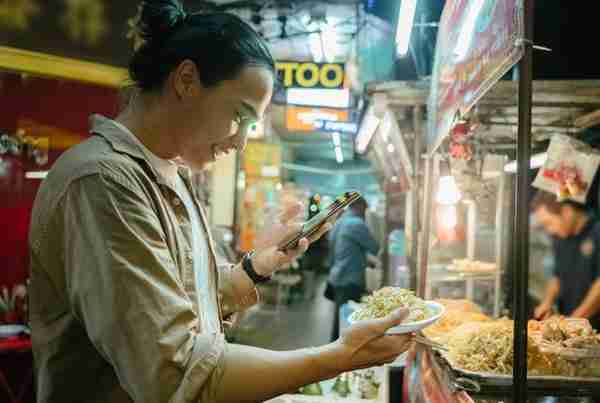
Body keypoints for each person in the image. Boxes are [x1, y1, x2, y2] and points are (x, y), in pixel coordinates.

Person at [28, 2, 411, 402]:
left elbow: (182, 298)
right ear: (187, 80)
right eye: (239, 115)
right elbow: (175, 374)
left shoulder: (173, 177)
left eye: (252, 125)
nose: (241, 141)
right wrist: (336, 356)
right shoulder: (104, 183)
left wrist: (258, 265)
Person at [532, 191, 600, 330]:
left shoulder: (597, 233)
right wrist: (547, 302)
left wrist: (573, 321)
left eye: (548, 223)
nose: (549, 231)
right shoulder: (560, 238)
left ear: (567, 212)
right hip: (571, 324)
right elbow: (557, 276)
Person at [328, 196, 380, 341]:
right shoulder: (356, 224)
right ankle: (341, 358)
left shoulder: (339, 222)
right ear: (360, 207)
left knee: (339, 321)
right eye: (364, 210)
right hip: (351, 278)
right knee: (349, 323)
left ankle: (332, 354)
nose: (365, 214)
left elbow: (334, 248)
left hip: (337, 276)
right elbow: (375, 247)